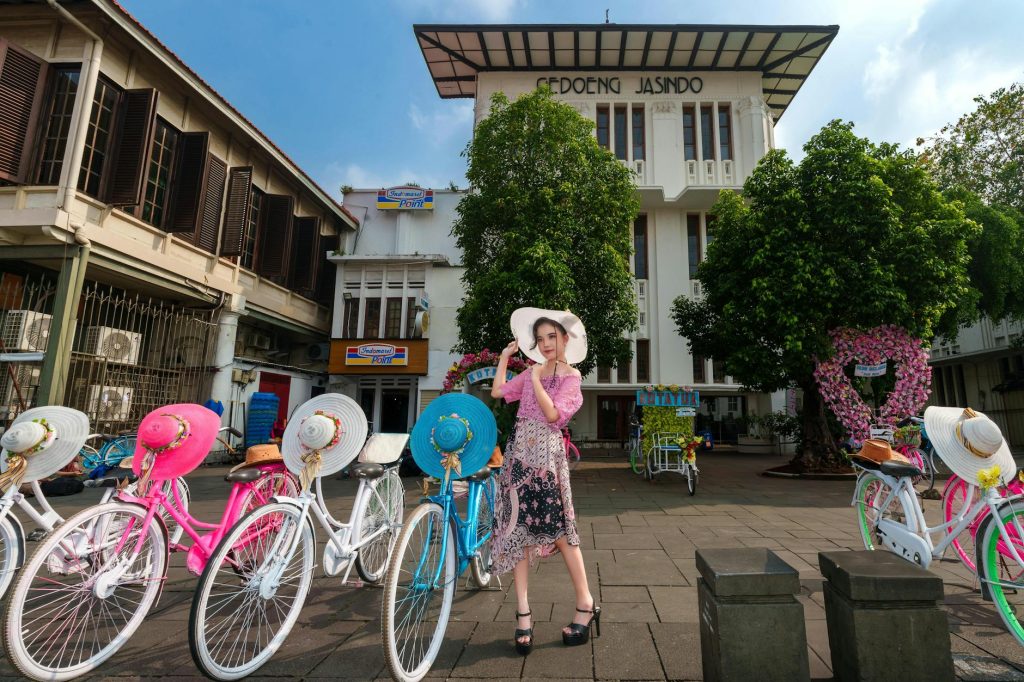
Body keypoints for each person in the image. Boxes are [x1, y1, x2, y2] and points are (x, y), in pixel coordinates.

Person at [490, 308, 599, 655]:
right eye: (540, 339)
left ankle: (585, 603)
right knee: (517, 531)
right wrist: (507, 358)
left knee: (562, 533)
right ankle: (522, 614)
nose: (546, 344)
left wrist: (535, 379)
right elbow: (497, 392)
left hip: (547, 463)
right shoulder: (530, 370)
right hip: (519, 456)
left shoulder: (572, 378)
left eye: (552, 336)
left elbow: (553, 414)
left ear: (566, 338)